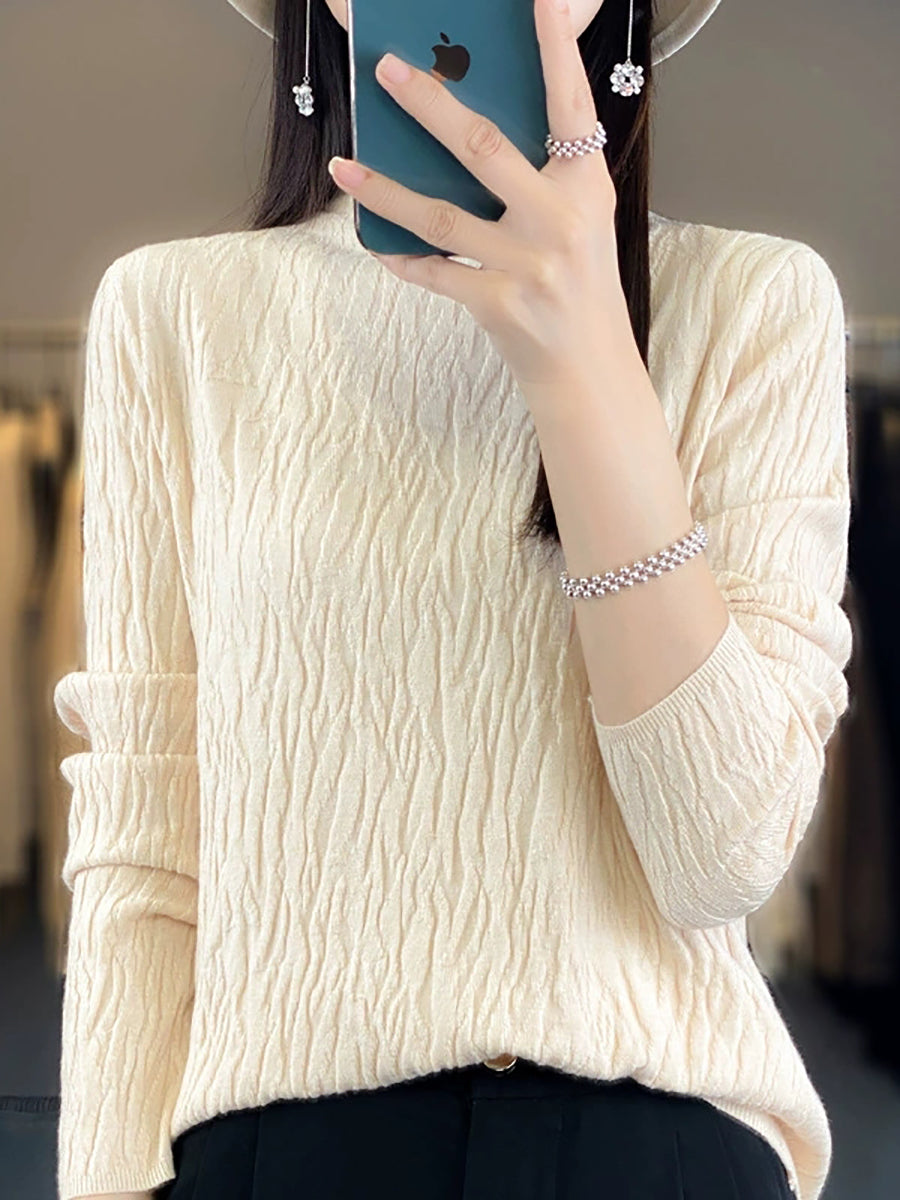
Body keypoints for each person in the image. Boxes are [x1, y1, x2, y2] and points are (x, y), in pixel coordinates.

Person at [54, 0, 853, 1198]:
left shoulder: (754, 302)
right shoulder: (174, 314)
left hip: (655, 1147)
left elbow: (722, 857)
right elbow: (147, 844)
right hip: (284, 1151)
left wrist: (586, 361)